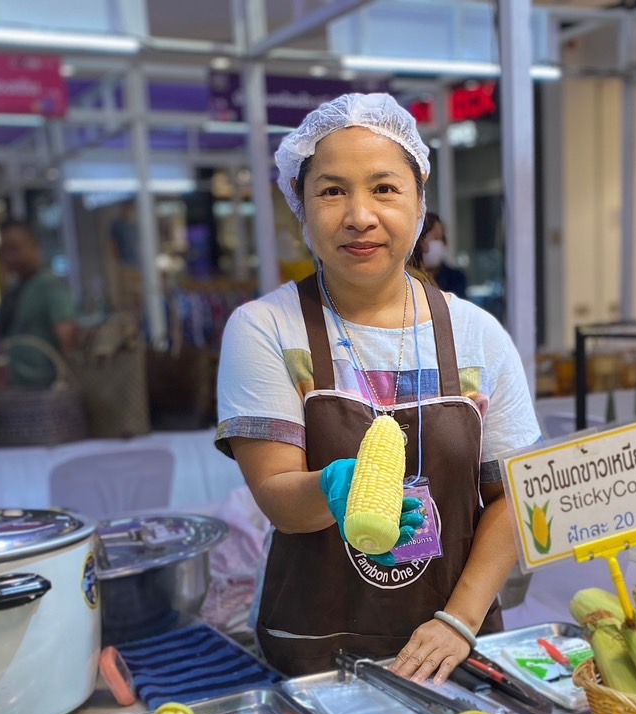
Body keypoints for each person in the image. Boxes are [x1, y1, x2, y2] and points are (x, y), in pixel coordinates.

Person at [216, 93, 540, 680]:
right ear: (302, 206)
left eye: (384, 188)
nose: (359, 215)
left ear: (419, 204)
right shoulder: (264, 328)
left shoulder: (477, 335)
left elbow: (511, 500)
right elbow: (277, 498)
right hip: (316, 652)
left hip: (457, 648)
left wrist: (458, 622)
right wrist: (337, 489)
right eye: (332, 190)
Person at [0, 219, 76, 389]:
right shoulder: (16, 288)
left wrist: (70, 382)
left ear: (34, 247)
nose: (9, 256)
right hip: (19, 390)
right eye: (4, 250)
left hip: (46, 390)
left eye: (15, 248)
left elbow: (66, 335)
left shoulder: (48, 286)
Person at [415, 213, 468, 298]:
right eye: (436, 238)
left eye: (442, 238)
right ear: (419, 241)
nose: (442, 244)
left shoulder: (456, 278)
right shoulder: (406, 277)